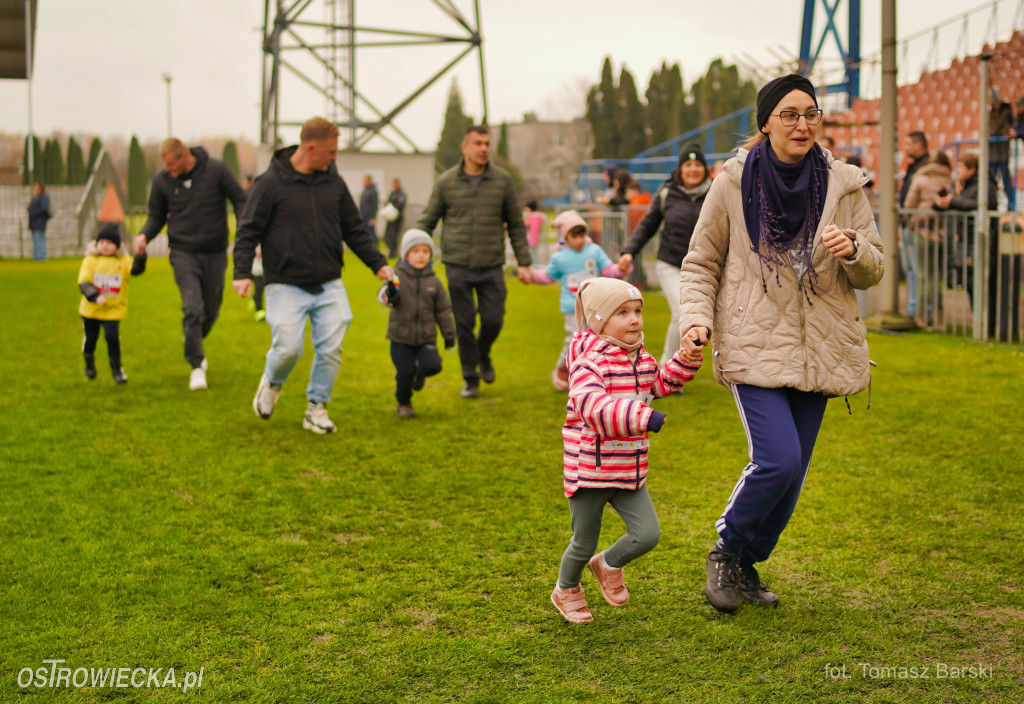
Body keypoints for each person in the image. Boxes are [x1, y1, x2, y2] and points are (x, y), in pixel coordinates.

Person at [678, 74, 884, 613]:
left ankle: (747, 564)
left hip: (821, 346)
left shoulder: (845, 185)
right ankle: (725, 551)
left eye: (811, 113)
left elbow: (874, 270)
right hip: (753, 342)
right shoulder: (731, 183)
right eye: (789, 114)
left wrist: (855, 248)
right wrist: (695, 321)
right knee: (777, 461)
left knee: (793, 475)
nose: (802, 124)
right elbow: (701, 262)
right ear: (766, 123)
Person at [551, 278, 702, 623]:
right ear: (599, 321)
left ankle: (607, 564)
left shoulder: (642, 359)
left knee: (647, 535)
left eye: (637, 311)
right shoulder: (588, 363)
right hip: (591, 470)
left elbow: (660, 384)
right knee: (583, 542)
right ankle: (566, 589)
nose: (634, 319)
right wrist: (643, 416)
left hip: (629, 468)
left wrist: (686, 358)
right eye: (622, 312)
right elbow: (593, 406)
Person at [232, 117, 393, 434]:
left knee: (331, 347)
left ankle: (316, 408)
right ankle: (273, 381)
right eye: (330, 151)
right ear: (310, 147)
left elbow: (354, 229)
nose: (335, 157)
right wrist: (242, 272)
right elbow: (248, 231)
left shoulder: (334, 183)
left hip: (329, 282)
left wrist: (378, 263)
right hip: (284, 284)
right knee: (288, 349)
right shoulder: (269, 184)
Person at [417, 124, 532, 399]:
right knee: (464, 324)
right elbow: (427, 221)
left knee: (493, 320)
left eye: (487, 144)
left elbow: (516, 224)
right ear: (464, 147)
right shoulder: (446, 182)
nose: (483, 149)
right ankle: (470, 377)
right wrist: (411, 252)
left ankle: (483, 353)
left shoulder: (502, 180)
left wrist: (524, 262)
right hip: (457, 264)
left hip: (491, 265)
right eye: (478, 143)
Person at [133, 138, 247, 391]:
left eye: (171, 164)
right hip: (182, 252)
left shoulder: (217, 170)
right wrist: (143, 236)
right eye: (165, 165)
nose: (167, 169)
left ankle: (192, 337)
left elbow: (240, 199)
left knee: (211, 311)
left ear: (184, 156)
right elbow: (156, 216)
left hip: (215, 251)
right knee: (192, 307)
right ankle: (196, 366)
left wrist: (245, 229)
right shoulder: (162, 181)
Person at [618, 144, 712, 366]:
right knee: (681, 313)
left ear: (705, 168)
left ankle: (700, 365)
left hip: (705, 267)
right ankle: (666, 366)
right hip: (671, 263)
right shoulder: (667, 193)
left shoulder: (716, 192)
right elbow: (647, 225)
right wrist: (629, 251)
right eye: (688, 164)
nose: (693, 169)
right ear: (680, 169)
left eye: (697, 164)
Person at [528, 210, 626, 390]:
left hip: (596, 307)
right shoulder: (559, 258)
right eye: (575, 236)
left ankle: (596, 375)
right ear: (566, 237)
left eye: (582, 235)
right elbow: (547, 276)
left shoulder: (594, 251)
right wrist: (530, 275)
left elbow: (608, 270)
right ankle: (562, 368)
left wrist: (620, 268)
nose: (579, 240)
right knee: (574, 341)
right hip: (573, 309)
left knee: (599, 341)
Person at [378, 230, 456, 419]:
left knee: (433, 366)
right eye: (415, 251)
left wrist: (449, 334)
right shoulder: (396, 277)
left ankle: (418, 375)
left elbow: (443, 310)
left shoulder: (434, 281)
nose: (421, 255)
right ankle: (404, 402)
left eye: (425, 251)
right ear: (406, 255)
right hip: (400, 337)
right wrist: (390, 292)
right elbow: (384, 299)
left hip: (426, 337)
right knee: (405, 372)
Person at [933, 153, 1001, 336]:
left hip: (984, 243)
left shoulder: (986, 184)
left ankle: (988, 329)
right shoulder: (962, 185)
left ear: (971, 169)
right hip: (967, 243)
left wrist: (954, 201)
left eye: (961, 167)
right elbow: (945, 204)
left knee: (986, 288)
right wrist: (941, 202)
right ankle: (980, 326)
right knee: (972, 284)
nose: (957, 170)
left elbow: (984, 204)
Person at [77, 224, 147, 384]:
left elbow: (136, 270)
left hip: (113, 310)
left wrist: (141, 255)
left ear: (117, 246)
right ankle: (89, 360)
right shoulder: (90, 261)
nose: (105, 246)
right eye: (101, 242)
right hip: (91, 310)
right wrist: (95, 296)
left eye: (109, 243)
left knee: (112, 338)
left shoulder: (123, 261)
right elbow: (84, 282)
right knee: (91, 339)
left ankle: (117, 370)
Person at [904, 152, 954, 323]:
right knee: (935, 276)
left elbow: (909, 205)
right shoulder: (951, 180)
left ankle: (921, 316)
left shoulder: (921, 178)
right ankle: (937, 316)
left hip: (922, 230)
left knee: (923, 275)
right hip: (943, 233)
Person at [898, 131, 930, 319]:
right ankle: (914, 307)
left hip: (917, 226)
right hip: (909, 224)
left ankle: (919, 309)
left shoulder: (926, 167)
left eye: (909, 144)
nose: (906, 148)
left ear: (919, 144)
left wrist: (911, 219)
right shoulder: (914, 166)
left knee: (918, 270)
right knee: (910, 269)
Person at [988, 88, 1015, 210]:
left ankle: (1011, 204)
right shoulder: (989, 113)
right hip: (992, 152)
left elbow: (1006, 129)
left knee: (1006, 178)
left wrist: (997, 133)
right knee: (991, 180)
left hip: (1002, 151)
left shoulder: (1006, 111)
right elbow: (989, 129)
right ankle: (992, 203)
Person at [27, 182, 53, 261]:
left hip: (40, 222)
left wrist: (34, 212)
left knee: (40, 239)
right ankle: (36, 256)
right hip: (34, 223)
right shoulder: (35, 198)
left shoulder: (44, 197)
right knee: (35, 240)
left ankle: (42, 256)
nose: (35, 189)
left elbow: (44, 208)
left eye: (37, 187)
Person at [383, 178, 407, 259]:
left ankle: (394, 252)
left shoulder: (401, 194)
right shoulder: (392, 193)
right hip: (390, 218)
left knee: (394, 236)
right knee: (387, 236)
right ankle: (391, 251)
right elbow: (388, 203)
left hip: (397, 218)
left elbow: (401, 205)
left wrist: (393, 207)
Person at [360, 175, 379, 246]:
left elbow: (374, 205)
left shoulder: (373, 191)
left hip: (369, 217)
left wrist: (373, 217)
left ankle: (375, 247)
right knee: (366, 234)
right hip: (364, 216)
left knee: (371, 234)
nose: (363, 182)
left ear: (369, 181)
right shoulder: (365, 190)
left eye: (365, 181)